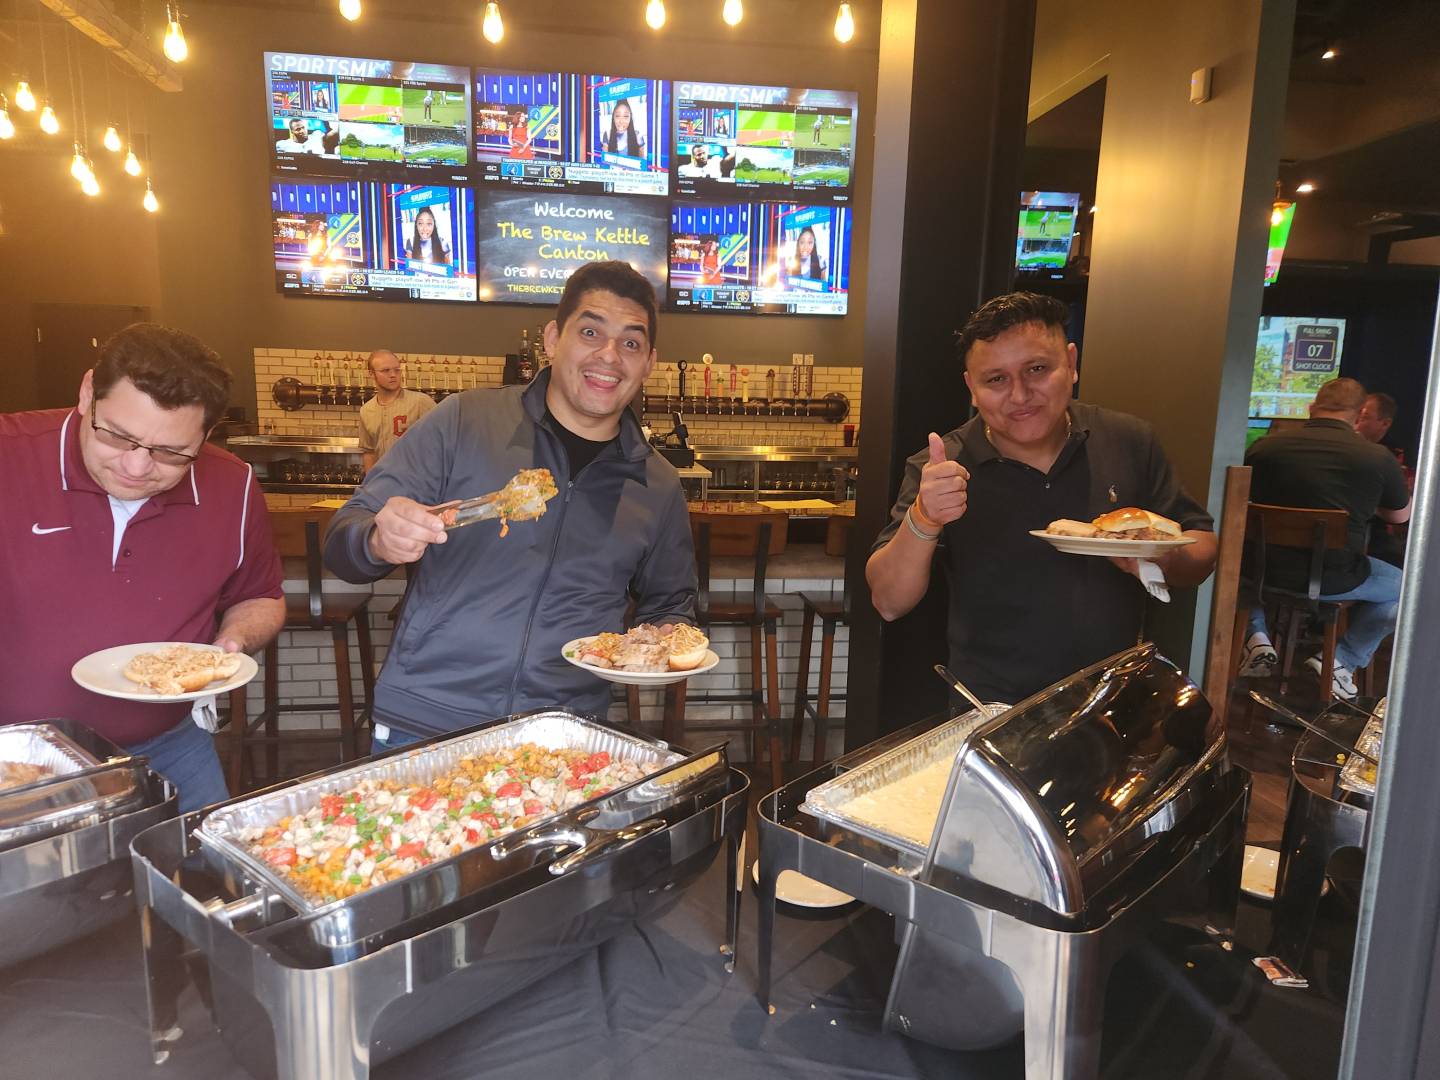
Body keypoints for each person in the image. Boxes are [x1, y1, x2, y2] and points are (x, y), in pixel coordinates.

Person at [325, 261, 698, 747]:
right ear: (551, 339)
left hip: (564, 734)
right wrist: (376, 539)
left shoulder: (658, 484)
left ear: (649, 362)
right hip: (427, 719)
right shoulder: (463, 421)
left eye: (631, 342)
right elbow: (343, 542)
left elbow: (672, 604)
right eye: (590, 332)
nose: (609, 356)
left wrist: (661, 644)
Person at [865, 292, 1217, 706]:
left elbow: (1203, 548)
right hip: (990, 708)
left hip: (1113, 699)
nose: (1019, 395)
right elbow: (888, 601)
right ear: (971, 388)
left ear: (1070, 363)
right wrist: (924, 518)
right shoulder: (942, 465)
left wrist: (1162, 556)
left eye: (1036, 369)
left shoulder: (1129, 441)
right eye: (996, 379)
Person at [0, 324, 285, 813]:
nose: (135, 467)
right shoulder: (10, 452)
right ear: (89, 392)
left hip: (171, 748)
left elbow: (260, 597)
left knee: (203, 883)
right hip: (18, 764)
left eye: (171, 453)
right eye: (117, 436)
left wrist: (228, 647)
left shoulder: (232, 485)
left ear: (206, 434)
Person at [1239, 378, 1410, 699]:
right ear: (1359, 414)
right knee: (1410, 590)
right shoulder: (1376, 458)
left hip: (1261, 571)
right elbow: (1400, 516)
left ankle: (1257, 635)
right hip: (1336, 580)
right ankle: (1341, 660)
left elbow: (1237, 502)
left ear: (1311, 407)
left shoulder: (1264, 448)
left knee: (1236, 570)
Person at [358, 350, 437, 474]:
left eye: (397, 370)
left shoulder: (421, 402)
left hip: (417, 483)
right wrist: (371, 485)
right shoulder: (366, 410)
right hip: (384, 484)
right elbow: (369, 452)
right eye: (385, 370)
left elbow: (442, 444)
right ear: (371, 374)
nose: (393, 374)